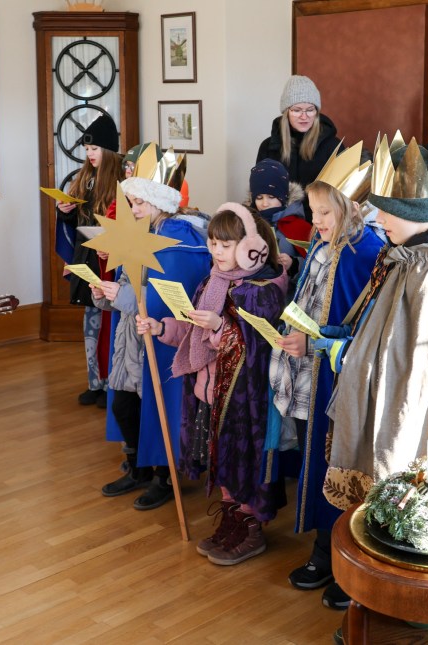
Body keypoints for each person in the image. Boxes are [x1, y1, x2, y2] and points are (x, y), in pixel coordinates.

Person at [315, 134, 428, 522]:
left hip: (420, 422)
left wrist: (349, 355)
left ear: (412, 212)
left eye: (387, 211)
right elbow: (383, 329)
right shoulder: (406, 259)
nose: (380, 220)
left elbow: (418, 367)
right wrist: (346, 340)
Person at [137, 204, 287, 565]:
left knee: (242, 460)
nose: (217, 251)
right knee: (221, 459)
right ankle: (231, 520)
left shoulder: (261, 289)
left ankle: (250, 529)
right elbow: (193, 332)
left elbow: (258, 346)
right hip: (209, 390)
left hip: (243, 398)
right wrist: (162, 329)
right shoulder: (213, 281)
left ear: (251, 246)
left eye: (226, 244)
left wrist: (220, 328)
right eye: (214, 243)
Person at [269, 144, 385, 609]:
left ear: (350, 208)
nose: (315, 221)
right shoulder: (323, 243)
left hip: (339, 376)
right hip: (308, 372)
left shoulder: (366, 251)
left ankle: (344, 560)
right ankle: (323, 548)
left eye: (323, 212)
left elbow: (366, 330)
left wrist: (315, 341)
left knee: (340, 465)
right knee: (317, 463)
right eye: (313, 211)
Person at [95, 155, 212, 511]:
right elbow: (128, 281)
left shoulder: (180, 235)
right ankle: (138, 466)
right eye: (132, 201)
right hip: (132, 336)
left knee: (159, 407)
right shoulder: (144, 230)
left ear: (160, 201)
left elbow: (173, 296)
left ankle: (163, 475)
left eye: (140, 201)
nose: (133, 208)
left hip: (162, 336)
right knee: (126, 405)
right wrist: (105, 294)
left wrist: (125, 296)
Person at [55, 114, 123, 409]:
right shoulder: (84, 177)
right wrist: (65, 210)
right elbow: (76, 222)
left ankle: (112, 384)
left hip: (108, 261)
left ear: (108, 150)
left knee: (110, 321)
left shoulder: (122, 180)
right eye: (86, 150)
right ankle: (94, 382)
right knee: (91, 324)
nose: (89, 155)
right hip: (86, 257)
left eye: (94, 149)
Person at [257, 75, 342, 194]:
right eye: (297, 110)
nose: (304, 116)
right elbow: (260, 192)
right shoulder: (268, 147)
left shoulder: (333, 147)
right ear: (286, 112)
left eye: (310, 110)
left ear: (316, 112)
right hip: (280, 213)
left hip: (319, 212)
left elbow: (342, 195)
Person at [247, 158, 309, 261]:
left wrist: (293, 264)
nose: (265, 203)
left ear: (283, 197)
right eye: (259, 198)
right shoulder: (245, 223)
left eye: (271, 197)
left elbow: (315, 263)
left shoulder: (299, 227)